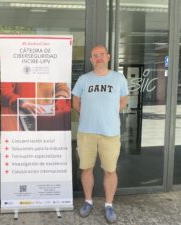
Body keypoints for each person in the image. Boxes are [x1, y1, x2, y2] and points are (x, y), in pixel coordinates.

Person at [72, 45, 129, 223]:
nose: (98, 58)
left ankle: (109, 205)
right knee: (86, 168)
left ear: (108, 57)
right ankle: (88, 201)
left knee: (110, 171)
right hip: (86, 132)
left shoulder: (119, 78)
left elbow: (123, 100)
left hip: (110, 132)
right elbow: (75, 102)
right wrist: (90, 115)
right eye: (94, 55)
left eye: (101, 55)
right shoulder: (83, 79)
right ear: (91, 59)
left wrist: (108, 114)